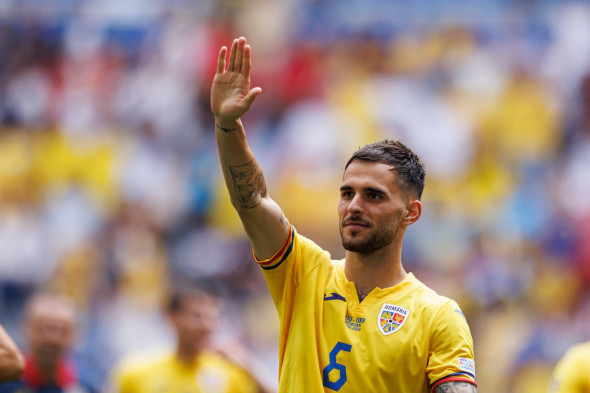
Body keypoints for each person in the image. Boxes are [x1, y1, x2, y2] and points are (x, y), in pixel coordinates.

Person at [210, 36, 477, 393]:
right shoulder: (304, 274)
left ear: (411, 213)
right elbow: (252, 200)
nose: (354, 205)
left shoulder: (437, 315)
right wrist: (228, 127)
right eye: (347, 193)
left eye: (374, 196)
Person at [108, 285, 276, 393]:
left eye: (212, 317)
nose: (206, 325)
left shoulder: (230, 373)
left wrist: (249, 365)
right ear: (171, 317)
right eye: (197, 316)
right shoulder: (135, 373)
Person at [0, 292, 96, 393]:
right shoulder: (6, 383)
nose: (51, 339)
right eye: (42, 329)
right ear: (27, 328)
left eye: (62, 330)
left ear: (75, 334)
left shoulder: (84, 387)